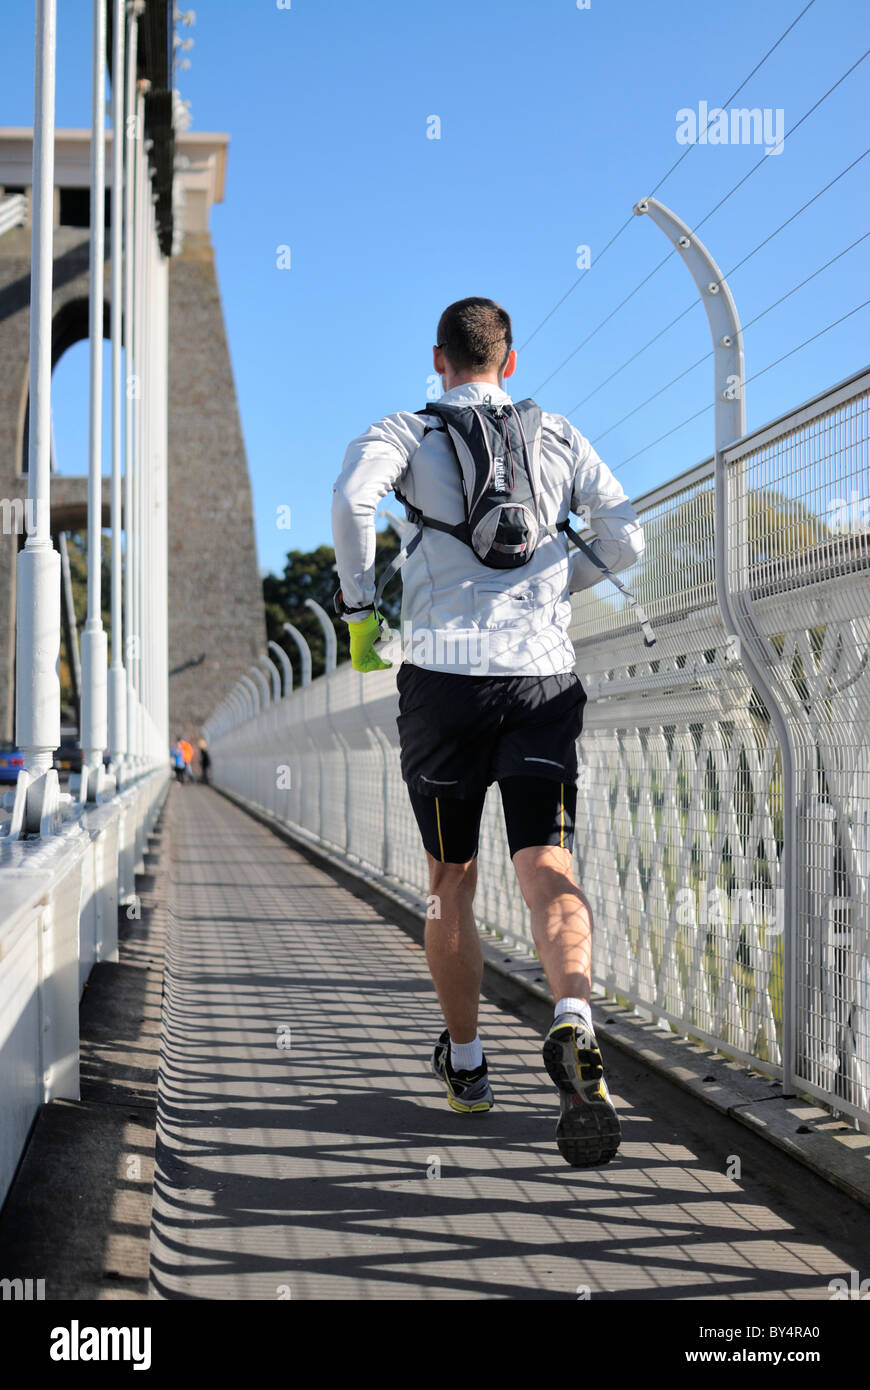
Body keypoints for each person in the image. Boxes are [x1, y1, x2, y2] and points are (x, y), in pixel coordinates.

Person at [331, 297, 645, 1168]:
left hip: (443, 684)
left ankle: (467, 1068)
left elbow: (352, 500)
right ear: (509, 362)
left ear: (439, 360)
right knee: (548, 864)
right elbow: (628, 540)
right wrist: (554, 585)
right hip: (541, 679)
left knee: (450, 880)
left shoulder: (407, 430)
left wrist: (363, 610)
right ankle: (573, 1018)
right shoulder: (555, 433)